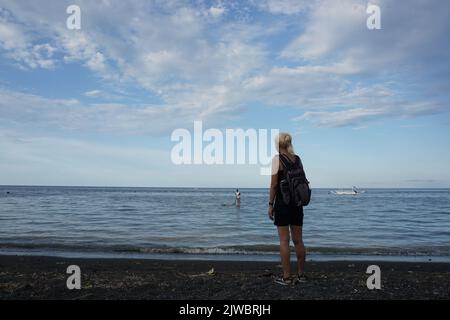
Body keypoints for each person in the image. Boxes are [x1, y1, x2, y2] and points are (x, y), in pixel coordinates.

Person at [268, 133, 307, 285]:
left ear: (277, 144)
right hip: (297, 204)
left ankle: (287, 277)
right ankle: (301, 275)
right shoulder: (297, 159)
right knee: (298, 240)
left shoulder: (276, 160)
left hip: (283, 204)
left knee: (284, 240)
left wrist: (270, 204)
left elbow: (274, 185)